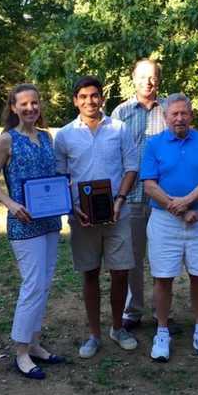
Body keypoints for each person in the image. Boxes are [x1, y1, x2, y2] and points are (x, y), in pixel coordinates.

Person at [54, 76, 139, 359]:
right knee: (89, 273)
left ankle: (118, 328)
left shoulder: (120, 128)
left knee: (120, 272)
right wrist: (71, 207)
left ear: (102, 98)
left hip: (118, 214)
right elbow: (61, 176)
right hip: (83, 217)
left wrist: (120, 200)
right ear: (75, 100)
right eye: (83, 97)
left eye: (94, 95)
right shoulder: (65, 135)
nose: (89, 101)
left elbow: (131, 168)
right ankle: (94, 334)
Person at [0, 84, 63, 380]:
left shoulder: (46, 137)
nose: (30, 108)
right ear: (13, 108)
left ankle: (35, 343)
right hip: (24, 222)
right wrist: (10, 203)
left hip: (50, 221)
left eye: (35, 103)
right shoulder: (7, 140)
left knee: (44, 283)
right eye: (24, 104)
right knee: (31, 284)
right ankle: (20, 351)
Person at [141, 93, 198, 362]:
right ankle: (162, 331)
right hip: (164, 221)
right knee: (163, 277)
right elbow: (149, 185)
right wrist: (178, 209)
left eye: (184, 113)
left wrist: (188, 203)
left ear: (191, 115)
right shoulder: (153, 144)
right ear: (165, 117)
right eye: (174, 114)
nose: (179, 118)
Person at [111, 59, 170, 332]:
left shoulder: (170, 110)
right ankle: (133, 311)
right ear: (132, 79)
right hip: (132, 198)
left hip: (163, 199)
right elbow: (112, 155)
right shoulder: (120, 113)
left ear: (159, 79)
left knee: (163, 257)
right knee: (133, 258)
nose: (148, 82)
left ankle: (163, 312)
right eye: (143, 76)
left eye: (153, 76)